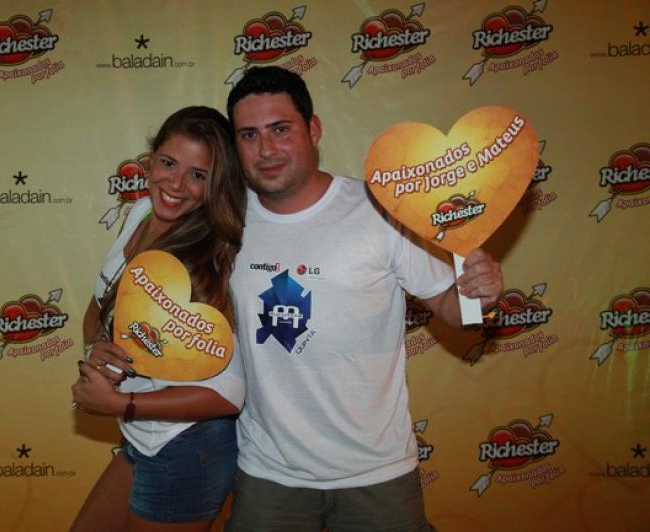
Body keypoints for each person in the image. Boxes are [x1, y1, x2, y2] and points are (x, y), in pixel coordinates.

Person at [221, 66, 504, 531]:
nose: (266, 149)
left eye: (280, 129)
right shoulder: (226, 222)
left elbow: (454, 309)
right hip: (269, 474)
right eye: (249, 135)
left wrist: (481, 293)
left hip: (378, 474)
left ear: (313, 130)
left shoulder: (379, 211)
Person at [70, 106, 246, 532]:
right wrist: (98, 348)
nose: (176, 184)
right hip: (141, 438)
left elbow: (228, 394)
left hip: (187, 447)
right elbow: (102, 305)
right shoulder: (141, 213)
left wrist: (121, 404)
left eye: (198, 174)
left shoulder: (210, 257)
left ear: (216, 183)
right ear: (150, 160)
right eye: (169, 163)